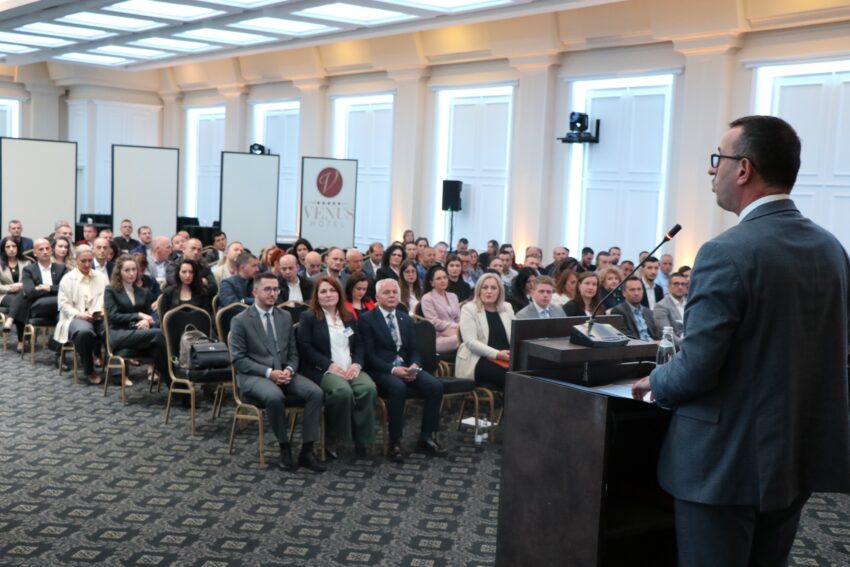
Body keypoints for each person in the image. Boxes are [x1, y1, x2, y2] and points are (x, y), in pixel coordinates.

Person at [632, 115, 850, 567]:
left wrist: (655, 380)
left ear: (744, 168)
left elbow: (696, 368)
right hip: (794, 457)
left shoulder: (725, 251)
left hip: (722, 467)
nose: (712, 169)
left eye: (719, 158)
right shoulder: (831, 249)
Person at [229, 272, 326, 472]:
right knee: (274, 396)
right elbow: (238, 360)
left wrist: (289, 369)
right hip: (255, 375)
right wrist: (269, 373)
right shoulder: (240, 320)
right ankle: (284, 447)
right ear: (255, 292)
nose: (273, 293)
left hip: (284, 372)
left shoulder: (285, 316)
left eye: (275, 289)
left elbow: (293, 351)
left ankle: (307, 450)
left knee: (315, 393)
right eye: (267, 289)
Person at [359, 278, 446, 463]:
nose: (392, 296)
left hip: (406, 367)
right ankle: (394, 441)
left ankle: (426, 437)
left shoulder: (404, 318)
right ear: (377, 297)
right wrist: (393, 370)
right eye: (387, 292)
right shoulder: (367, 319)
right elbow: (369, 356)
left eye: (395, 292)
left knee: (435, 386)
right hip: (382, 370)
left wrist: (414, 365)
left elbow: (413, 349)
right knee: (398, 388)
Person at [298, 277, 377, 459]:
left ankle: (361, 438)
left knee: (368, 388)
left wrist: (357, 364)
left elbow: (359, 345)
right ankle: (333, 437)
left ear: (339, 294)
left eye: (332, 290)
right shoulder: (309, 317)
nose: (328, 295)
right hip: (323, 369)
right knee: (342, 392)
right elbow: (305, 348)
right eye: (323, 291)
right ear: (316, 296)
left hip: (350, 366)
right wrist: (329, 365)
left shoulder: (347, 316)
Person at [104, 255, 167, 386]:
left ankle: (171, 381)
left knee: (156, 346)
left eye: (134, 269)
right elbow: (113, 316)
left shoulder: (143, 292)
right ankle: (172, 376)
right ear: (119, 272)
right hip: (119, 334)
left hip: (138, 333)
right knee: (159, 334)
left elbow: (150, 315)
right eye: (127, 270)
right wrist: (138, 315)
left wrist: (147, 321)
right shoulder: (111, 290)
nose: (131, 273)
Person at [54, 246, 108, 385]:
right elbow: (63, 305)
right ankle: (89, 369)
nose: (87, 264)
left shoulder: (101, 277)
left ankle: (114, 368)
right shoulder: (67, 279)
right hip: (76, 317)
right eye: (83, 261)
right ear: (76, 260)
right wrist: (79, 314)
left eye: (90, 260)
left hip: (98, 316)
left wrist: (103, 310)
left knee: (110, 329)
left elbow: (108, 299)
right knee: (84, 332)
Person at [455, 273, 514, 387]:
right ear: (479, 290)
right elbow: (470, 342)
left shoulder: (507, 307)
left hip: (506, 357)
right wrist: (497, 354)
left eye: (493, 288)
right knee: (511, 377)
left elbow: (516, 335)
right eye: (485, 287)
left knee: (527, 373)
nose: (489, 291)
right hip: (478, 359)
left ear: (500, 291)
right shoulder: (469, 309)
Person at [13, 239, 68, 354]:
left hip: (58, 306)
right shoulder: (29, 270)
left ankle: (58, 347)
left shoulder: (61, 268)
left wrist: (48, 288)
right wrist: (54, 290)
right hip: (39, 306)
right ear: (35, 253)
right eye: (41, 249)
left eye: (47, 249)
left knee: (62, 315)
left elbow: (67, 289)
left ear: (51, 251)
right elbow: (30, 292)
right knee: (65, 306)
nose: (45, 251)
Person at [419, 265, 461, 355]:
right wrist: (455, 327)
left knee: (469, 337)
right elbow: (434, 322)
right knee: (463, 338)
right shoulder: (427, 298)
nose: (443, 280)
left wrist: (457, 329)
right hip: (438, 336)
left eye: (445, 277)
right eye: (438, 278)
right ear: (432, 283)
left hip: (455, 331)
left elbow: (458, 318)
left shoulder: (453, 296)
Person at [0, 236, 30, 340]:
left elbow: (30, 281)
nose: (11, 249)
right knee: (20, 302)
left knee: (20, 301)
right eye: (8, 247)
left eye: (14, 246)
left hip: (23, 293)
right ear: (3, 249)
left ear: (18, 247)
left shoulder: (27, 262)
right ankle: (21, 340)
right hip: (4, 295)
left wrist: (21, 285)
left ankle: (9, 321)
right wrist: (10, 288)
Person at [653, 272, 687, 339]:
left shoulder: (690, 304)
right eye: (676, 284)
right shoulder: (660, 306)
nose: (680, 287)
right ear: (668, 286)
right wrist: (686, 344)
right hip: (677, 344)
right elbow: (668, 335)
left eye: (683, 284)